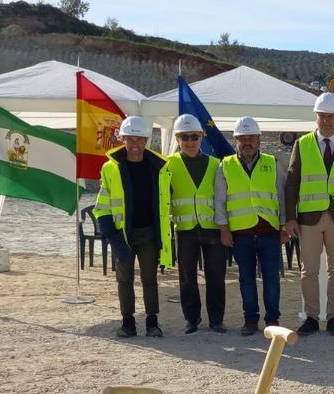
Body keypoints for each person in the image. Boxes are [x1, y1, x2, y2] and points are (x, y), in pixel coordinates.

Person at [284, 92, 334, 337]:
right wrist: (290, 218)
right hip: (308, 218)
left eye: (331, 116)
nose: (327, 121)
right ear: (316, 117)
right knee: (309, 270)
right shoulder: (302, 144)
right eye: (322, 116)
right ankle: (312, 317)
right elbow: (292, 183)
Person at [94, 116, 171, 338]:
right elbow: (103, 206)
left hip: (148, 233)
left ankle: (152, 323)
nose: (136, 145)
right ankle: (128, 323)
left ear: (146, 140)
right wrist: (114, 238)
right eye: (131, 140)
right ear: (122, 139)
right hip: (124, 234)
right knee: (124, 279)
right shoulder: (111, 168)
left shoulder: (159, 167)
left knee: (150, 279)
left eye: (140, 140)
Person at [215, 116, 288, 336]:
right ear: (235, 140)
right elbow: (220, 201)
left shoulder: (272, 164)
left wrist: (284, 226)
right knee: (246, 278)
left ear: (259, 140)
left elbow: (282, 197)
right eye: (242, 138)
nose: (247, 142)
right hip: (241, 234)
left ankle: (273, 319)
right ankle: (250, 320)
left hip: (269, 232)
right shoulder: (225, 166)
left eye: (251, 138)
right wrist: (224, 229)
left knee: (271, 278)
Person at [165, 114, 226, 334]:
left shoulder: (215, 164)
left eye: (194, 136)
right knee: (187, 278)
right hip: (185, 230)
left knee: (216, 276)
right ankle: (192, 319)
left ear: (201, 137)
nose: (190, 142)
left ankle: (216, 320)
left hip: (212, 228)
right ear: (178, 139)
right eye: (185, 137)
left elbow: (222, 198)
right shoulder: (168, 165)